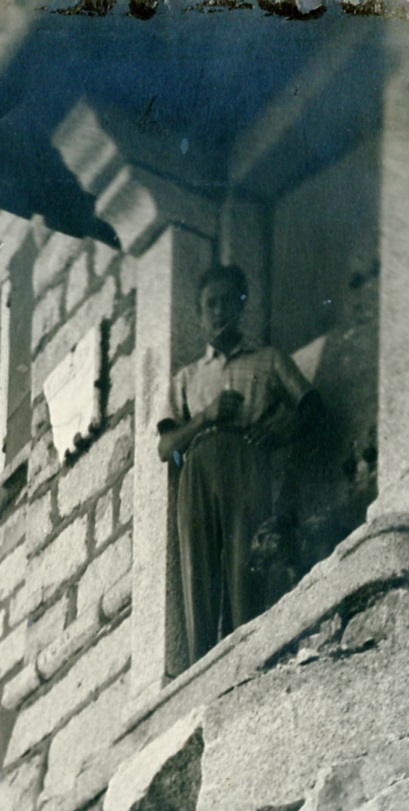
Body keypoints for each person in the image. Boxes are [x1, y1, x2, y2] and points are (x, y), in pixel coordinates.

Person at [158, 262, 314, 664]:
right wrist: (206, 417)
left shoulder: (267, 360)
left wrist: (282, 430)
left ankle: (250, 657)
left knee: (246, 563)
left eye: (228, 301)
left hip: (247, 462)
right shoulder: (187, 378)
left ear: (241, 305)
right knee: (199, 568)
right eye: (211, 303)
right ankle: (201, 665)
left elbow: (313, 408)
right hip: (197, 467)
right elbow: (166, 448)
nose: (219, 310)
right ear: (199, 314)